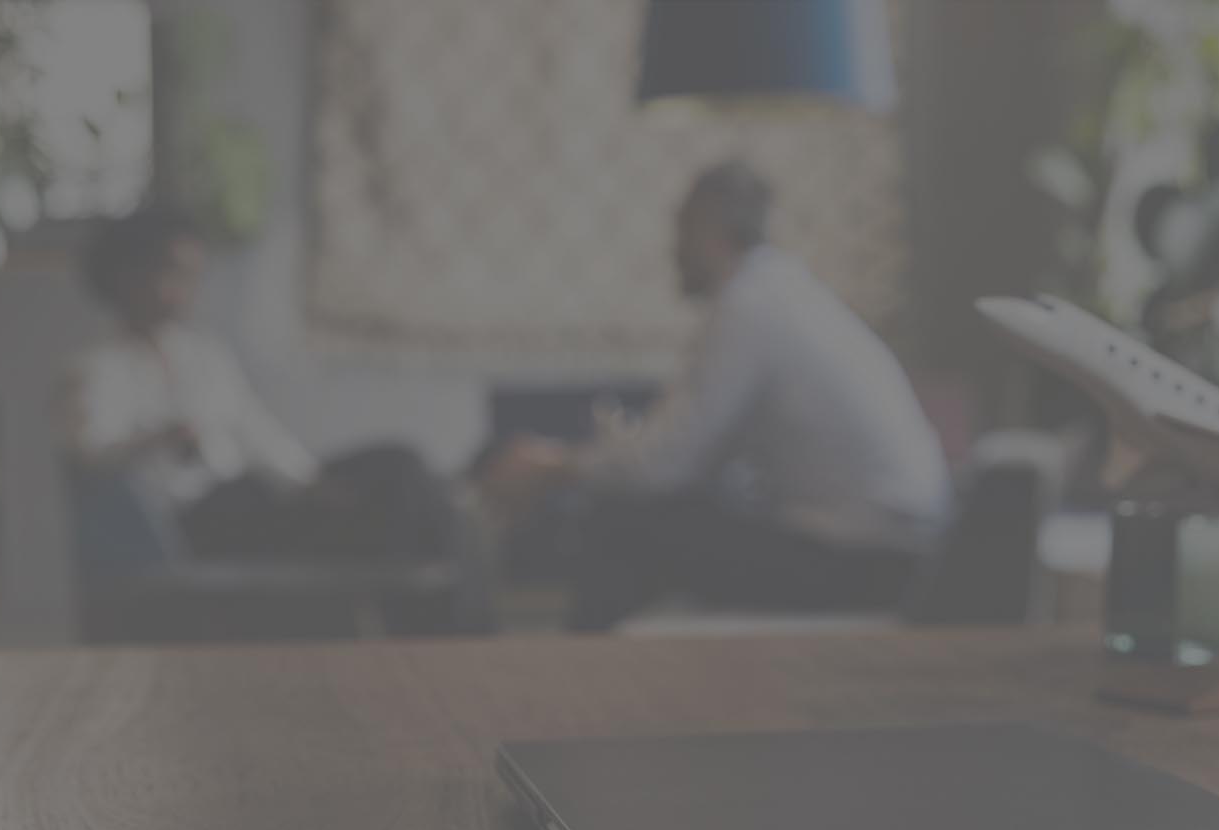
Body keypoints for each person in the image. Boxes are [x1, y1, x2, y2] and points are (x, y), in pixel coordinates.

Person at [481, 161, 951, 631]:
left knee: (619, 524)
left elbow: (662, 466)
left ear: (709, 227)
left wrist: (553, 467)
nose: (672, 250)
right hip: (894, 552)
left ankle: (585, 689)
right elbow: (691, 454)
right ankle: (640, 679)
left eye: (680, 230)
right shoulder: (786, 294)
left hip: (863, 562)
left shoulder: (747, 307)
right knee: (656, 519)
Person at [61, 207, 470, 577]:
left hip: (256, 499)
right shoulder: (96, 368)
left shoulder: (204, 353)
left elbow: (255, 428)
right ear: (127, 276)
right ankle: (451, 623)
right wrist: (157, 438)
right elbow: (87, 454)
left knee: (400, 466)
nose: (184, 290)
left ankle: (451, 615)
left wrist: (310, 482)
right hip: (202, 520)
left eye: (192, 277)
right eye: (172, 274)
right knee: (404, 510)